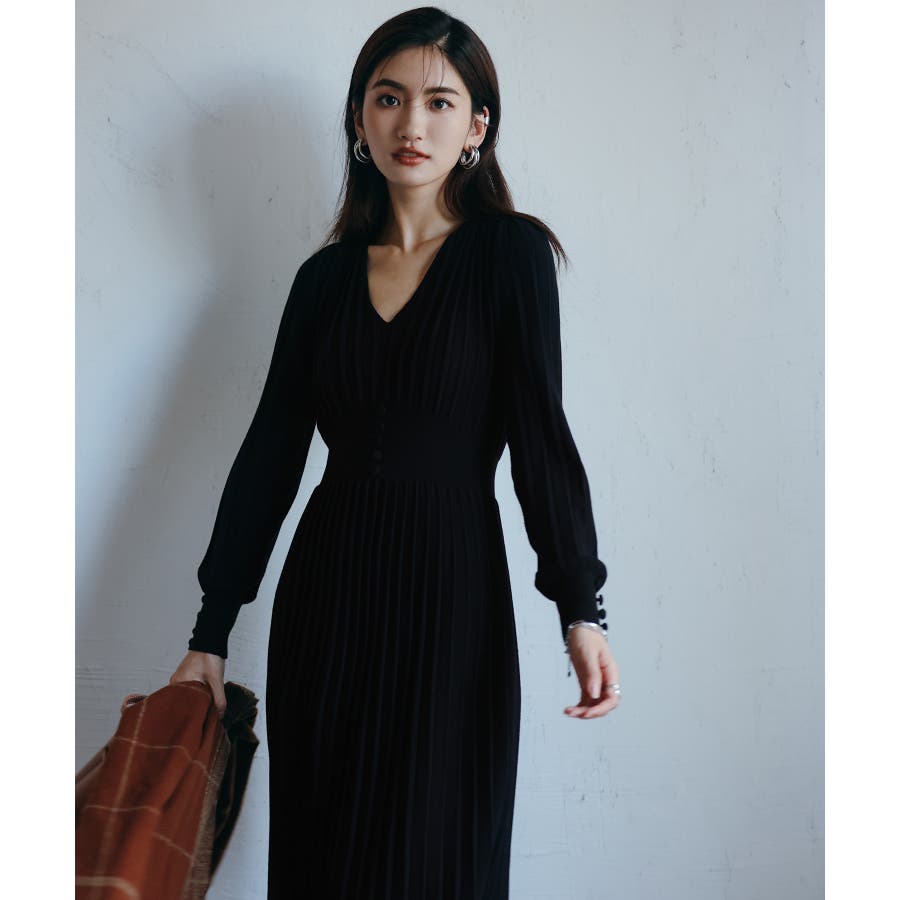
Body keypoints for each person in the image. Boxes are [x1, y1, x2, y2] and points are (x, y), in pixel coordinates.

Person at [169, 7, 621, 898]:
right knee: (325, 859)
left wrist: (581, 607)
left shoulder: (511, 257)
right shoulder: (323, 281)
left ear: (476, 127)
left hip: (454, 599)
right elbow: (270, 454)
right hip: (328, 600)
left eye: (439, 102)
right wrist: (209, 633)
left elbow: (541, 437)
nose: (412, 123)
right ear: (359, 119)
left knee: (439, 853)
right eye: (388, 99)